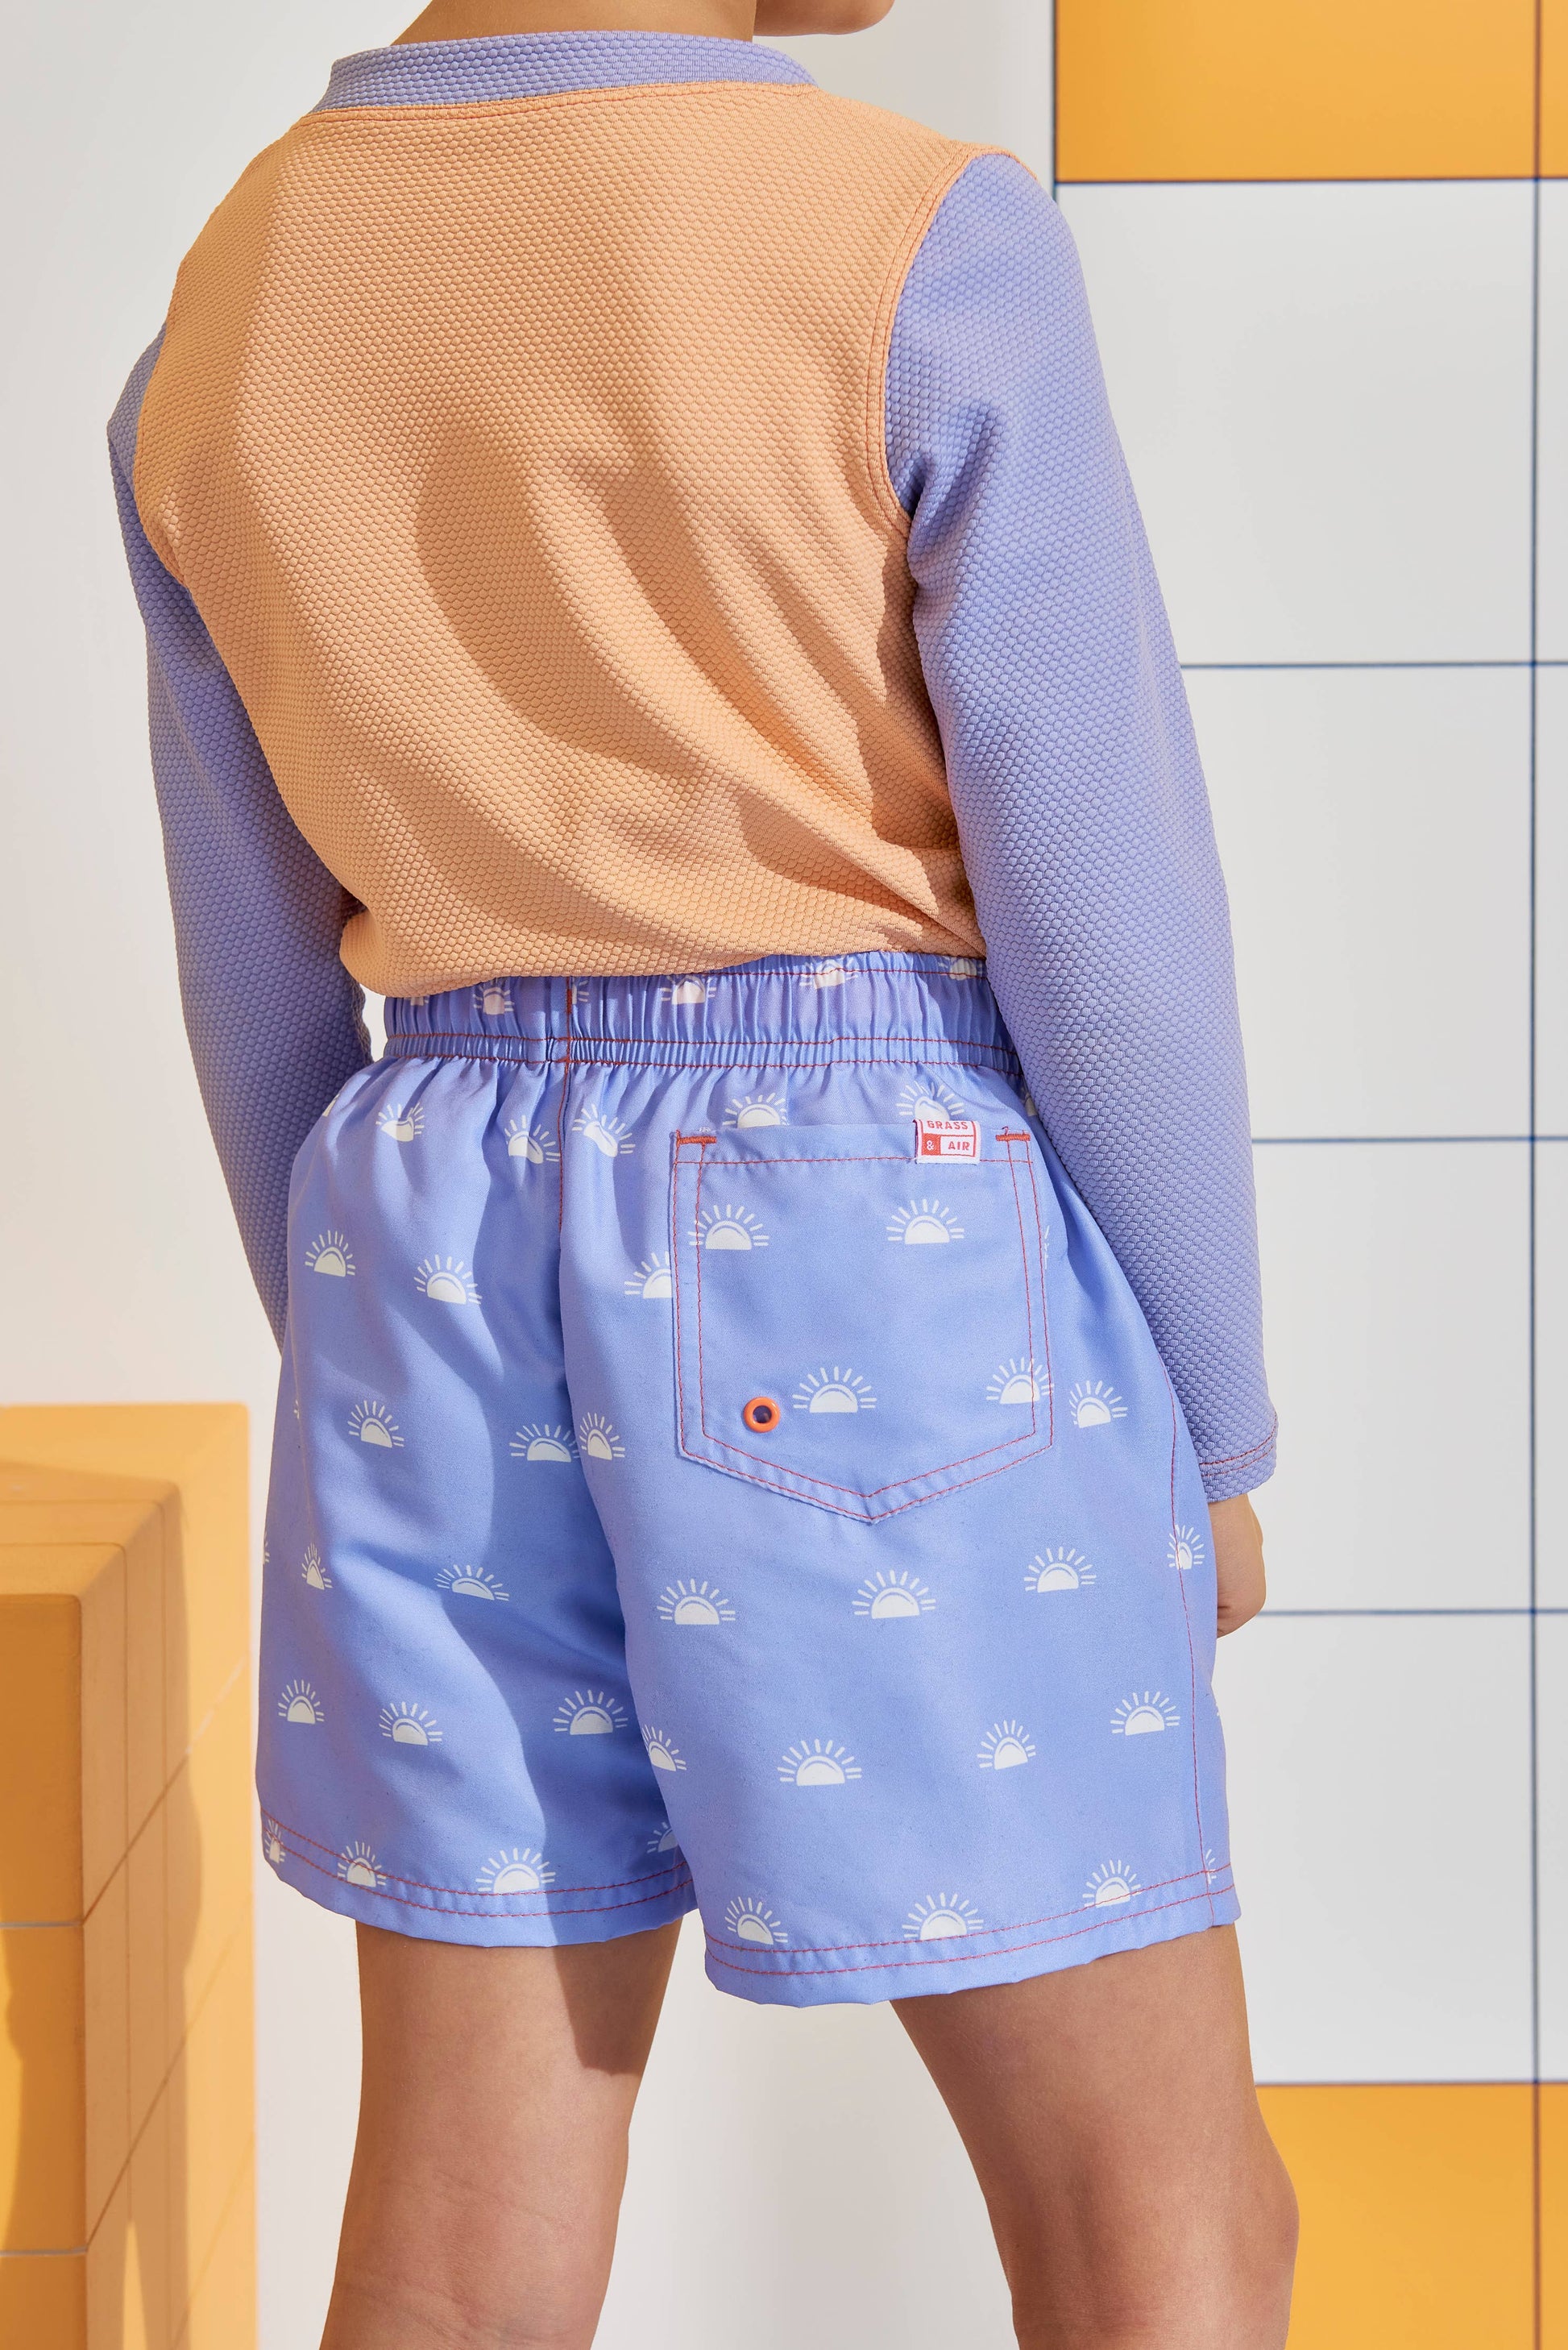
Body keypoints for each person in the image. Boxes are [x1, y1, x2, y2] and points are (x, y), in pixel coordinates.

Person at [110, 0, 1297, 2340]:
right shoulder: (911, 238)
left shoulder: (228, 300)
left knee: (462, 2233)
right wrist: (1216, 1429)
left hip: (421, 1246)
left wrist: (380, 1384)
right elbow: (1109, 918)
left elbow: (254, 980)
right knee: (1156, 2214)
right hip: (867, 1232)